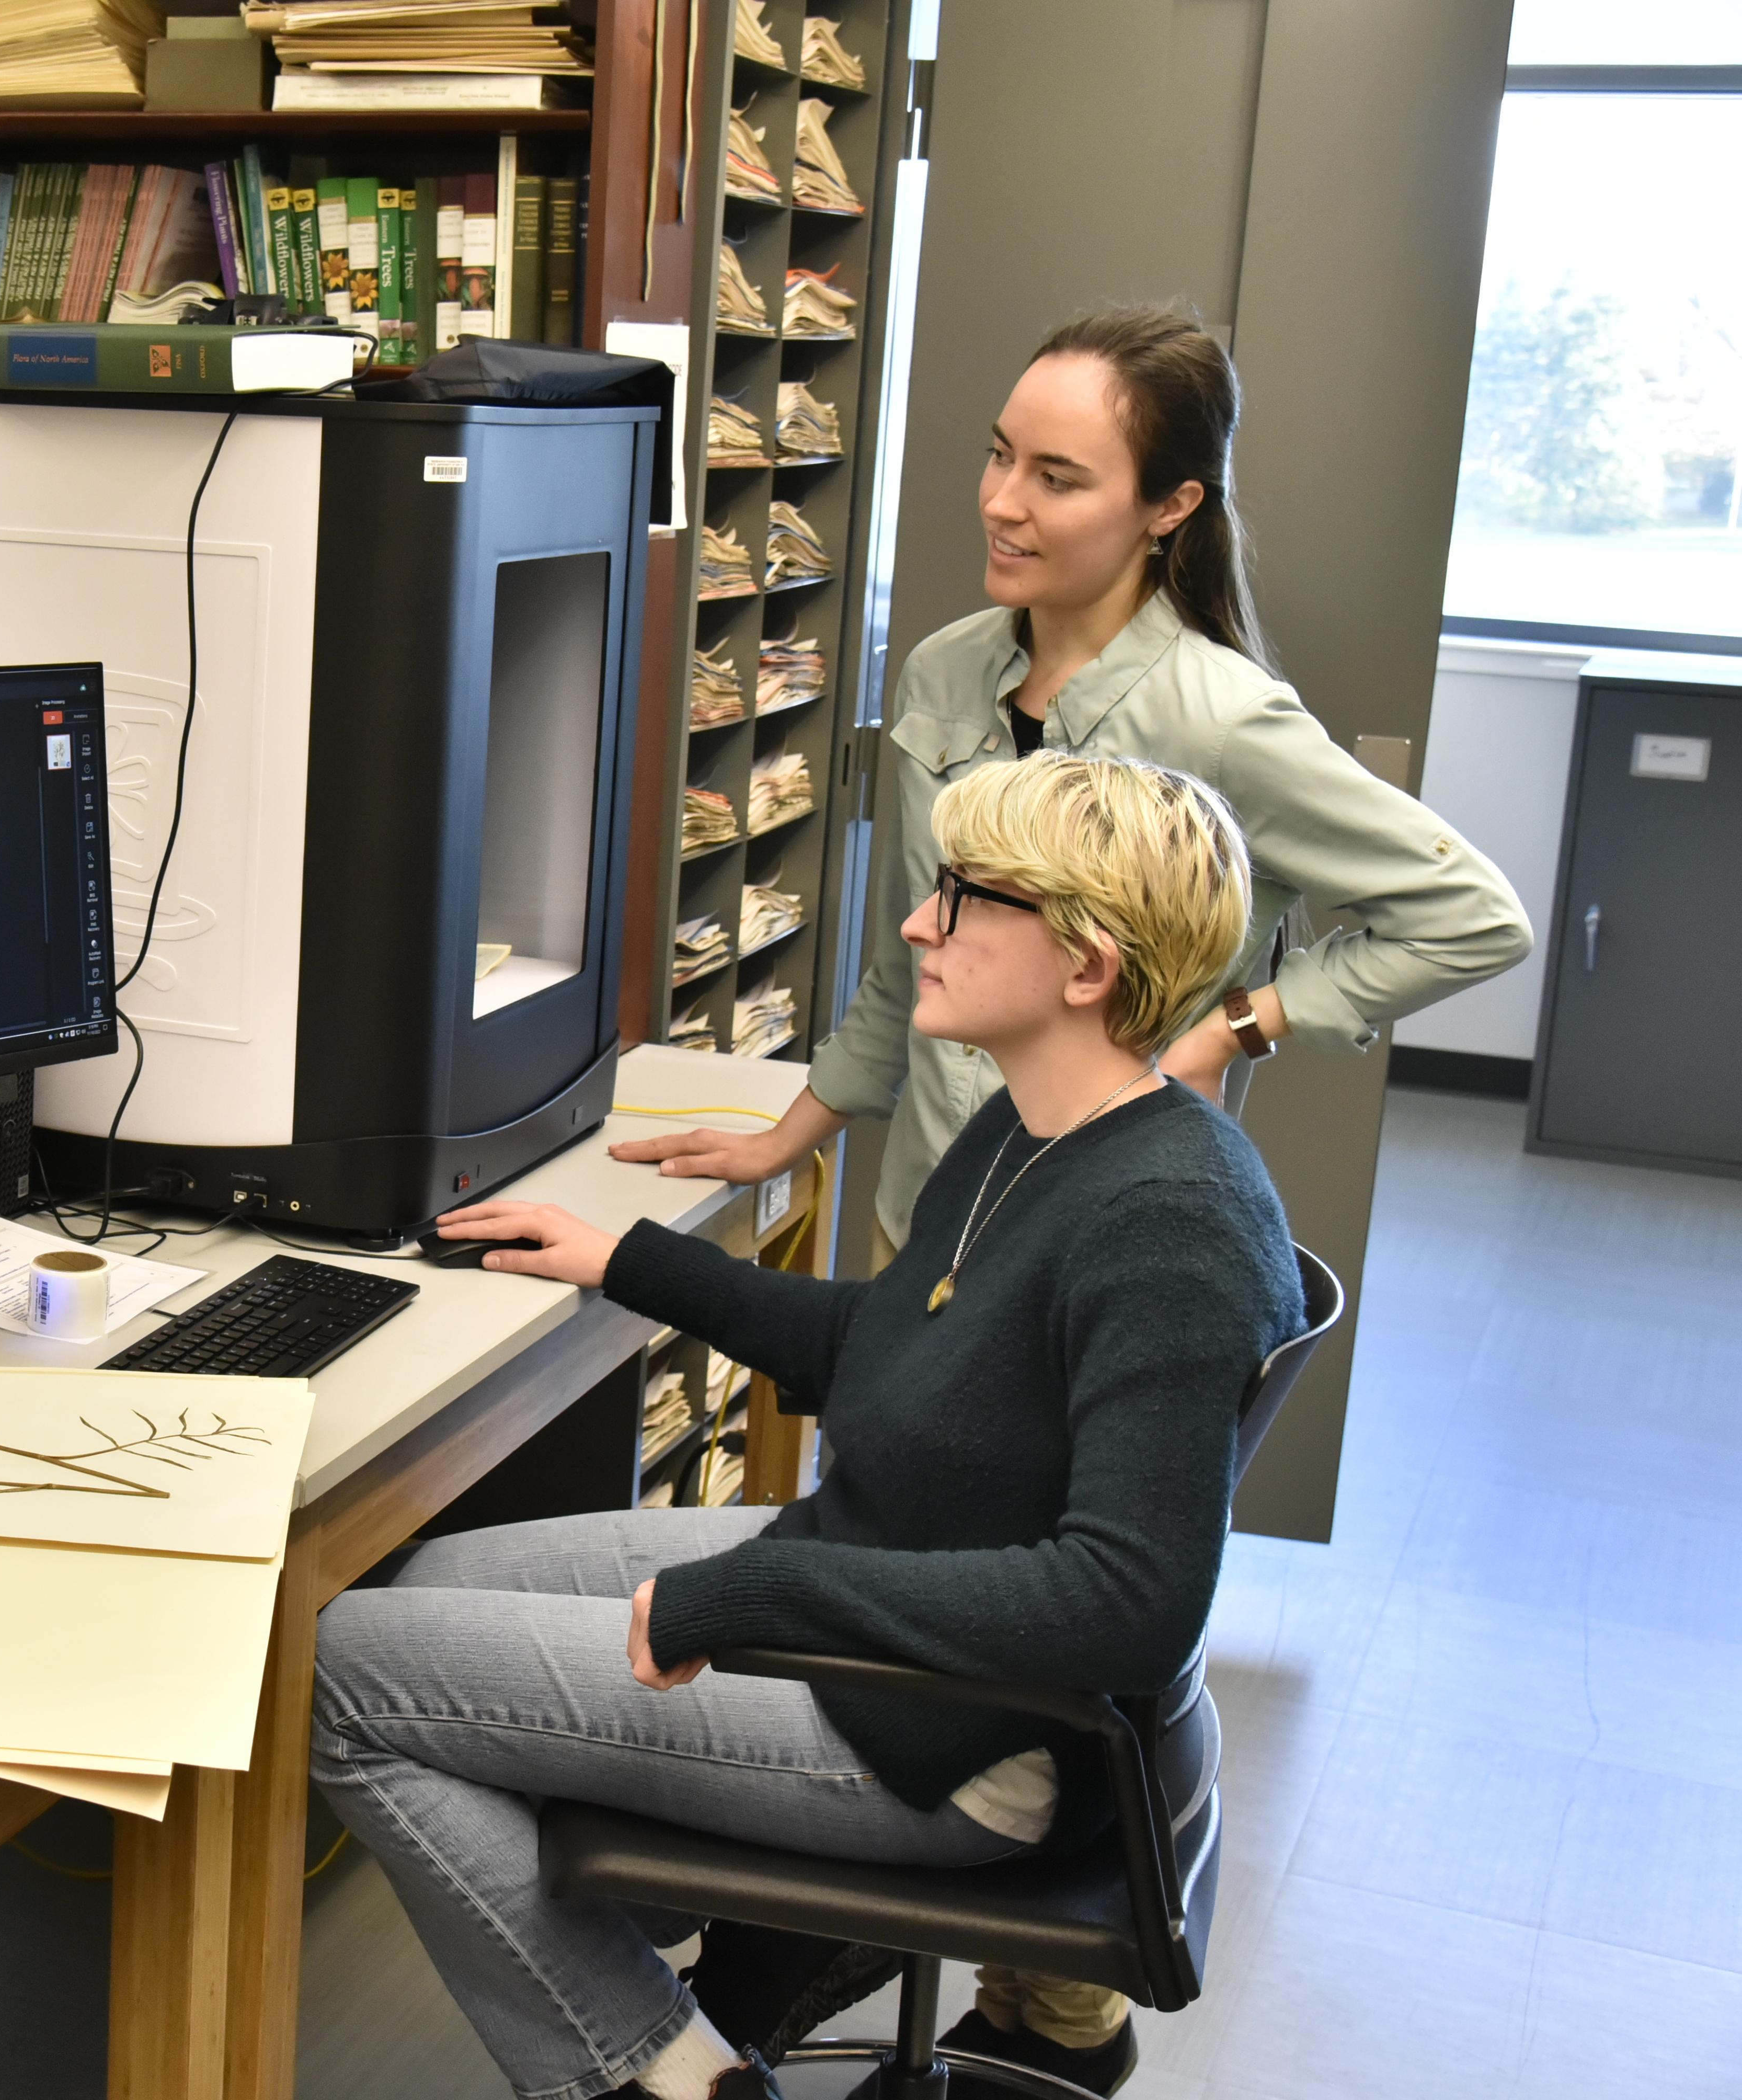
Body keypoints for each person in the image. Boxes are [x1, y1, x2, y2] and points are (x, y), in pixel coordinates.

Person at [602, 303, 1531, 2088]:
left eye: (1059, 473)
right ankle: (831, 1987)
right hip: (938, 1223)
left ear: (1170, 507)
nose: (1003, 500)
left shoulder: (1216, 717)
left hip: (1079, 1232)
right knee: (881, 1620)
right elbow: (915, 947)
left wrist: (1243, 1022)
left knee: (971, 1664)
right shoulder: (952, 670)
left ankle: (957, 2004)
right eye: (996, 455)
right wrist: (791, 1135)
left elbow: (1468, 915)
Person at [316, 751, 1306, 2100]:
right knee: (423, 1584)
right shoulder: (1040, 1129)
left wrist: (759, 1592)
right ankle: (681, 1956)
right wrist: (624, 1262)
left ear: (1086, 964)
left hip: (950, 1735)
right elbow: (889, 1354)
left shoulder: (1168, 1221)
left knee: (343, 1673)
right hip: (881, 1583)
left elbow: (1135, 1601)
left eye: (961, 899)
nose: (915, 924)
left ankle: (660, 2067)